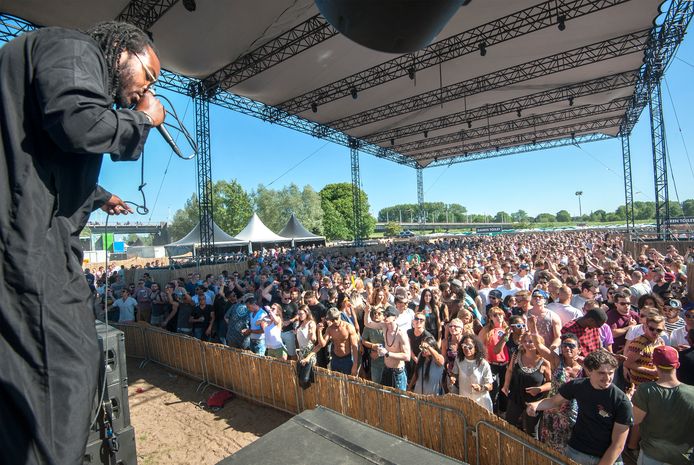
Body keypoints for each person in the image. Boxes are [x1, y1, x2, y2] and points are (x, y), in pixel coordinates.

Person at [0, 19, 166, 464]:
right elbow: (78, 124)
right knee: (67, 376)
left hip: (24, 237)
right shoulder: (74, 48)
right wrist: (142, 120)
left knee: (26, 391)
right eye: (147, 76)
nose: (146, 90)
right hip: (32, 251)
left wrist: (99, 196)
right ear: (121, 52)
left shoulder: (59, 61)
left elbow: (41, 163)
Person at [526, 350, 633, 465]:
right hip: (577, 452)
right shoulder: (577, 386)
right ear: (588, 371)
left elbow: (618, 445)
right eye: (601, 373)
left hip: (608, 458)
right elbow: (553, 401)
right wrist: (536, 405)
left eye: (611, 373)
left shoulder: (621, 401)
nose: (607, 378)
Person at [632, 345, 694, 465]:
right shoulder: (692, 392)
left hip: (652, 456)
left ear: (654, 364)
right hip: (683, 459)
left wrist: (628, 402)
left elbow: (634, 420)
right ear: (677, 365)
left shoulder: (646, 390)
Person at [501, 332, 551, 439]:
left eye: (531, 341)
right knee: (509, 426)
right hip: (516, 397)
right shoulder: (516, 356)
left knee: (532, 432)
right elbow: (509, 371)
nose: (527, 343)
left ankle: (533, 454)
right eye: (525, 341)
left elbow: (550, 383)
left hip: (534, 401)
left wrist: (539, 389)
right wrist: (506, 385)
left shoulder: (544, 362)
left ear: (538, 343)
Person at [364, 306, 411, 390]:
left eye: (388, 315)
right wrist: (367, 312)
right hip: (386, 369)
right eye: (385, 314)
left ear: (395, 317)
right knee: (386, 398)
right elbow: (367, 323)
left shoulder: (401, 334)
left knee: (399, 400)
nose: (385, 317)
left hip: (397, 373)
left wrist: (387, 353)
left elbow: (407, 357)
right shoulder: (384, 326)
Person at [302, 308, 359, 376]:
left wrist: (355, 365)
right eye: (332, 319)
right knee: (335, 381)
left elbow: (354, 347)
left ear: (340, 316)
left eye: (336, 318)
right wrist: (319, 331)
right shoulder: (330, 329)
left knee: (348, 382)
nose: (334, 321)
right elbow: (321, 344)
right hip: (335, 359)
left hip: (347, 359)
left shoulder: (349, 327)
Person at [478, 306, 510, 414]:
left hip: (506, 364)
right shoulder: (486, 330)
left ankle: (504, 413)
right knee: (494, 391)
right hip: (491, 364)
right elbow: (479, 346)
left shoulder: (507, 329)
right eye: (495, 315)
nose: (498, 317)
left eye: (500, 314)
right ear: (490, 317)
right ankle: (494, 414)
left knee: (505, 391)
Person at [451, 334, 494, 411]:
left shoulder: (483, 363)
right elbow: (455, 374)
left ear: (476, 348)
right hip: (465, 402)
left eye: (470, 347)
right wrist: (453, 378)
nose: (466, 349)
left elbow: (490, 386)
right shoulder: (458, 360)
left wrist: (481, 387)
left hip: (481, 403)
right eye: (464, 346)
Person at [362, 306, 386, 383]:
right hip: (375, 359)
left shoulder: (387, 326)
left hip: (387, 359)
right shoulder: (369, 326)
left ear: (384, 316)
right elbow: (363, 340)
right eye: (375, 313)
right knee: (376, 382)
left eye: (379, 313)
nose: (376, 315)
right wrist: (372, 346)